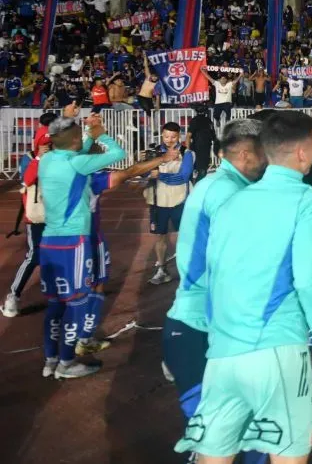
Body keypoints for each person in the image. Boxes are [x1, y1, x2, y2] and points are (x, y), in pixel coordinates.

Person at [175, 111, 312, 463]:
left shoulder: (231, 200)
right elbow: (308, 278)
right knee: (286, 453)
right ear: (302, 152)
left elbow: (213, 274)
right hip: (277, 348)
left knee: (213, 456)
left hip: (223, 353)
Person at [163, 118, 267, 463]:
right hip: (206, 331)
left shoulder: (217, 184)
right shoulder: (228, 193)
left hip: (200, 326)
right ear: (247, 154)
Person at [37, 113, 126, 379]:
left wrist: (86, 134)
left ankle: (51, 360)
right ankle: (67, 363)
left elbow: (77, 150)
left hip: (49, 240)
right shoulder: (77, 163)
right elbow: (118, 153)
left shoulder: (48, 160)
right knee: (77, 304)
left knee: (54, 304)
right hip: (74, 241)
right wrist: (99, 134)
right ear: (75, 139)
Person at [77, 143, 183, 356]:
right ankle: (83, 339)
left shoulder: (58, 169)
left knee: (67, 294)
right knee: (95, 286)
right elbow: (127, 174)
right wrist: (161, 159)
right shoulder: (91, 178)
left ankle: (55, 357)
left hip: (59, 238)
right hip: (87, 237)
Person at [2, 111, 58, 318]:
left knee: (59, 254)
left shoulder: (59, 155)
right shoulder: (30, 158)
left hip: (57, 216)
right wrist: (38, 158)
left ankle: (59, 294)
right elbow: (27, 180)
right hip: (37, 216)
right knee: (34, 256)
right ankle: (13, 296)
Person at [144, 121, 195, 285]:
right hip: (158, 200)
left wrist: (160, 176)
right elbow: (144, 173)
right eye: (166, 136)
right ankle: (162, 270)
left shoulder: (187, 153)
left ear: (178, 136)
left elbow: (184, 177)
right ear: (162, 135)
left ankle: (188, 270)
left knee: (185, 236)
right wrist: (147, 172)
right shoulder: (154, 152)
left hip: (180, 200)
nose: (169, 139)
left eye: (173, 136)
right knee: (160, 236)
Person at [187, 107, 216, 182]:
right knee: (202, 170)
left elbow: (188, 136)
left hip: (197, 147)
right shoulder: (208, 121)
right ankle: (195, 185)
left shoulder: (195, 120)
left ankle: (193, 185)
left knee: (194, 169)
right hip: (204, 148)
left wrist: (188, 149)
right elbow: (214, 137)